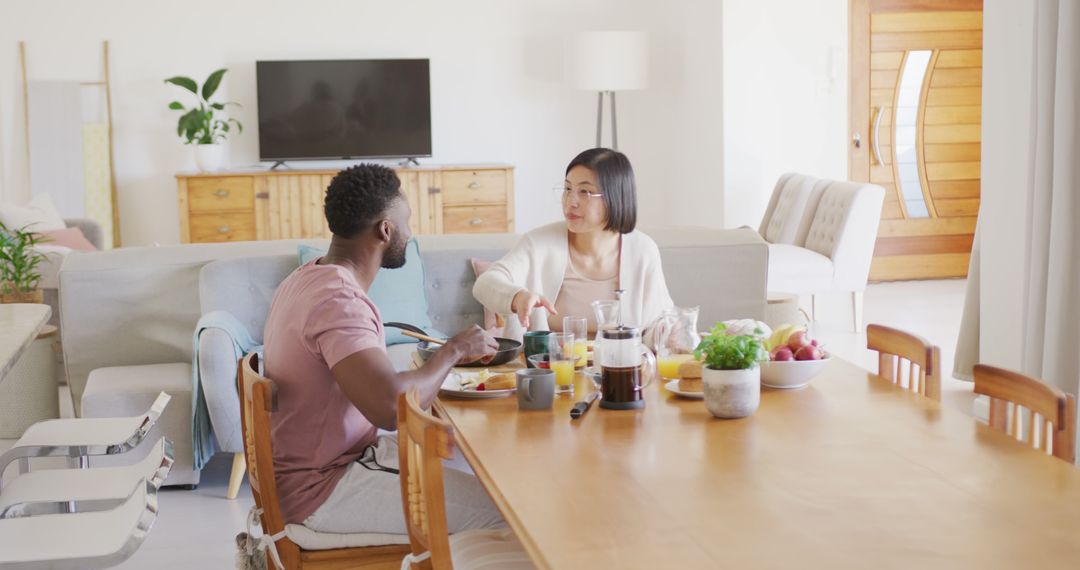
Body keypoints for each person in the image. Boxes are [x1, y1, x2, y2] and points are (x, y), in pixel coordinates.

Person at [263, 164, 504, 534]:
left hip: (324, 467)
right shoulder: (339, 300)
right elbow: (390, 408)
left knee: (483, 474)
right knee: (508, 513)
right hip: (322, 488)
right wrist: (453, 350)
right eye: (406, 221)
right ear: (385, 230)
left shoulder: (307, 276)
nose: (410, 232)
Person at [473, 148, 674, 334]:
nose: (571, 201)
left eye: (584, 192)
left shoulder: (643, 250)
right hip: (551, 369)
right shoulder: (539, 243)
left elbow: (657, 324)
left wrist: (673, 335)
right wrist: (517, 297)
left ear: (616, 197)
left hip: (621, 368)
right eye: (568, 189)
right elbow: (485, 284)